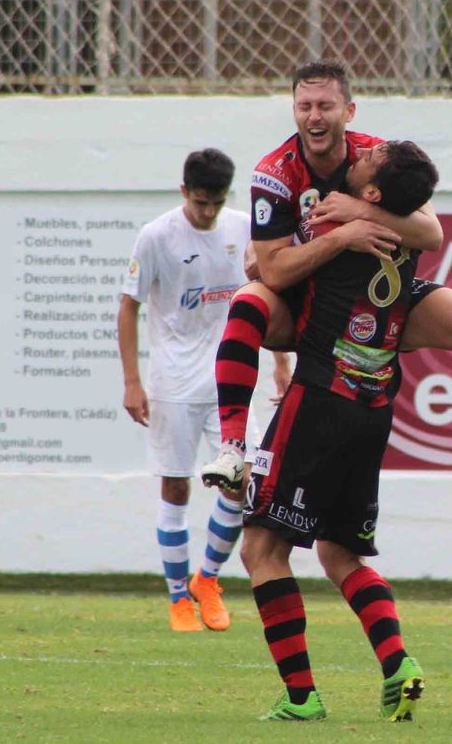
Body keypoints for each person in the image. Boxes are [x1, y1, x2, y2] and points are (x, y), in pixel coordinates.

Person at [201, 60, 452, 497]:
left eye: (325, 105)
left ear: (349, 111)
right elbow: (274, 270)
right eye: (304, 106)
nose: (314, 116)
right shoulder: (276, 173)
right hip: (304, 304)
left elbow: (431, 233)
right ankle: (232, 450)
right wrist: (344, 239)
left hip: (375, 306)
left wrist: (358, 211)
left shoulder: (376, 159)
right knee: (247, 301)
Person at [224, 139, 439, 721]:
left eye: (371, 162)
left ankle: (301, 698)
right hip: (374, 406)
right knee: (341, 552)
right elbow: (430, 231)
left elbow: (264, 268)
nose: (361, 157)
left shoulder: (336, 214)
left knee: (263, 549)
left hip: (320, 398)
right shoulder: (401, 227)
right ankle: (399, 665)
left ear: (371, 192)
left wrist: (316, 235)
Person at [117, 148, 291, 632]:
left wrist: (280, 361)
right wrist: (132, 381)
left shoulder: (243, 230)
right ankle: (177, 599)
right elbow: (128, 307)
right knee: (176, 485)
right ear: (183, 193)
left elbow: (268, 294)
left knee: (245, 482)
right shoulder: (156, 236)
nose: (208, 212)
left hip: (231, 381)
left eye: (215, 203)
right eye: (199, 203)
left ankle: (207, 579)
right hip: (173, 383)